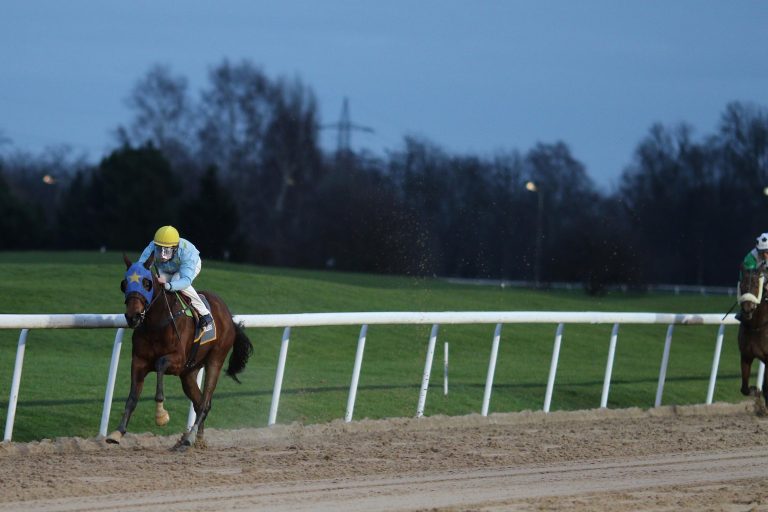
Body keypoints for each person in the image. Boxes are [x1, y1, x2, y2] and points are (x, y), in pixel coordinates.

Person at [138, 225, 213, 332]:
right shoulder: (152, 246)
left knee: (176, 281)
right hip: (167, 266)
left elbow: (186, 280)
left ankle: (205, 314)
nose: (163, 255)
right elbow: (140, 268)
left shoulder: (187, 252)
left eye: (167, 251)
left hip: (189, 266)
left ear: (175, 248)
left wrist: (168, 285)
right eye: (160, 250)